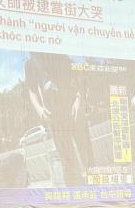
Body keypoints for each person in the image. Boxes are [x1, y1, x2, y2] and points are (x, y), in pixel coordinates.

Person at [24, 52, 93, 186]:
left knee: (87, 154)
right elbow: (31, 90)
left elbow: (78, 77)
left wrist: (79, 100)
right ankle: (75, 193)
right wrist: (39, 109)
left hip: (73, 110)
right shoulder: (30, 63)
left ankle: (98, 190)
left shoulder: (58, 54)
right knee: (67, 160)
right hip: (54, 117)